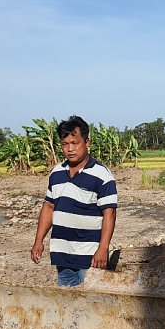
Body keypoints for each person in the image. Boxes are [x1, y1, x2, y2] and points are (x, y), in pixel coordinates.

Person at [31, 116, 117, 286]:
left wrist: (103, 248)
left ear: (87, 142)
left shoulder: (102, 175)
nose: (70, 148)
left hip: (90, 256)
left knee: (92, 304)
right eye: (65, 144)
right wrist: (38, 241)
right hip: (63, 255)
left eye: (75, 143)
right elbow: (49, 207)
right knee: (67, 305)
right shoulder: (56, 173)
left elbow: (110, 213)